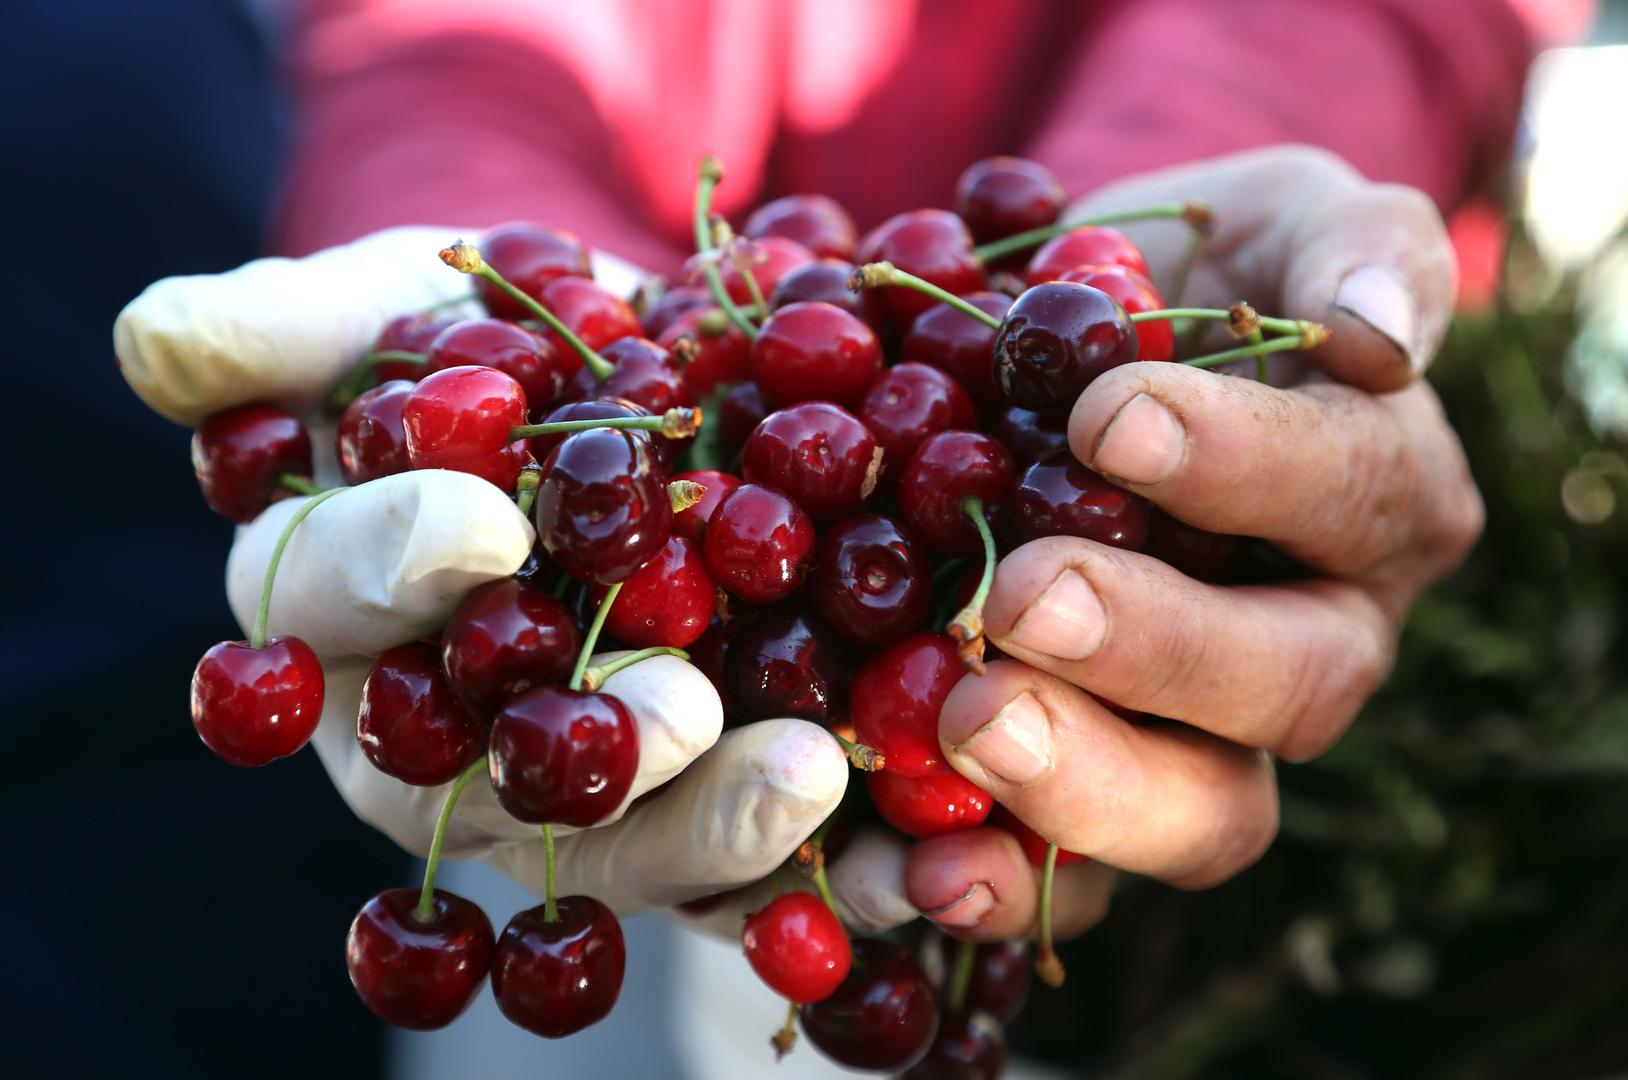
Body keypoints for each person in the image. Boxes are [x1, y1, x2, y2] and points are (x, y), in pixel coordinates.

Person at [111, 0, 1577, 1074]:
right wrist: (465, 291)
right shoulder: (622, 514)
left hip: (1171, 738)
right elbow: (455, 55)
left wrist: (1165, 217)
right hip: (634, 735)